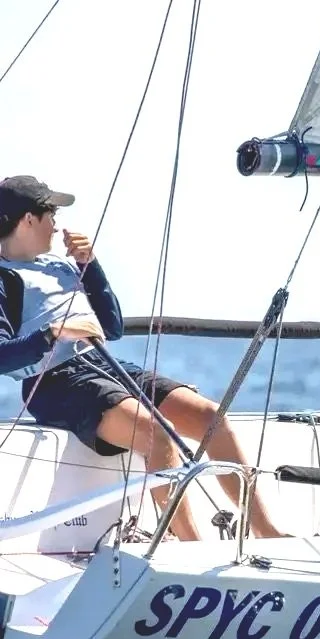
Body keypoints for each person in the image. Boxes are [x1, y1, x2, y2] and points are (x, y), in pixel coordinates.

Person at [0, 175, 284, 542]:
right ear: (29, 220)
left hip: (104, 365)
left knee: (212, 417)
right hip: (57, 382)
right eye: (51, 212)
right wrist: (52, 333)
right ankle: (190, 549)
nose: (57, 224)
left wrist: (91, 265)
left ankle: (269, 533)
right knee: (157, 434)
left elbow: (112, 326)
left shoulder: (61, 264)